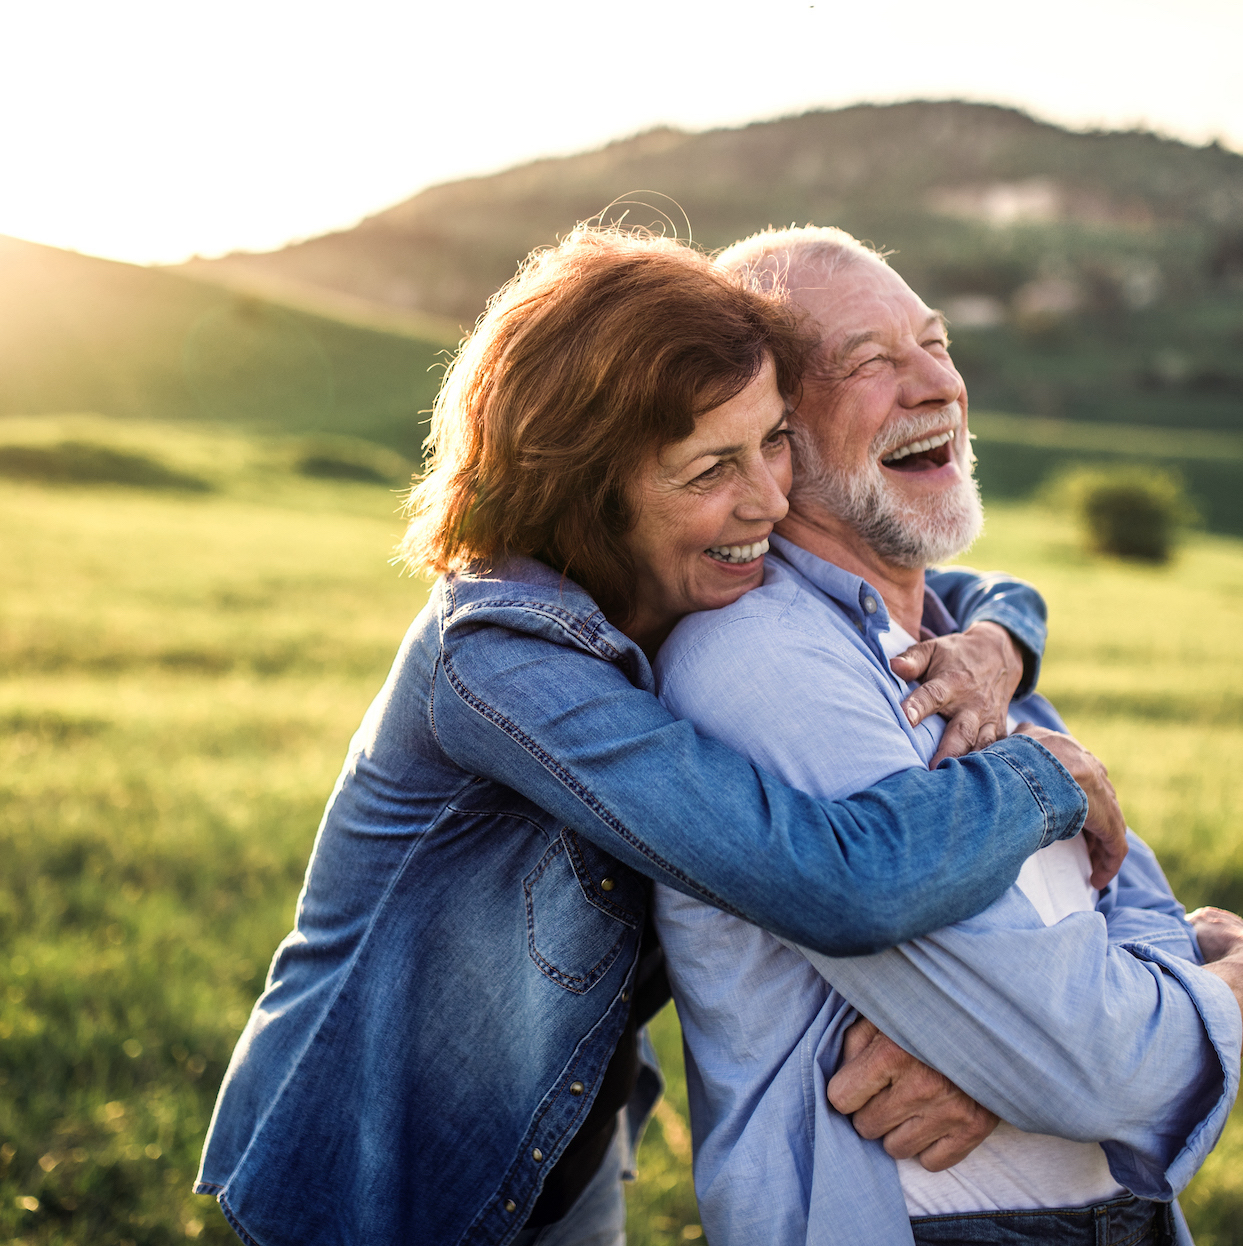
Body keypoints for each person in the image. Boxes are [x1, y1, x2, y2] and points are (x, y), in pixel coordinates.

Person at [191, 228, 1122, 1246]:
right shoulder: (498, 660)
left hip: (565, 1151)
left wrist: (996, 645)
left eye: (771, 438)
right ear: (589, 487)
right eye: (711, 466)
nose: (768, 498)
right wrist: (1043, 777)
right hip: (379, 1183)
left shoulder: (680, 577)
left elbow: (952, 588)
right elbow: (828, 880)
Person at [653, 226, 1243, 1246]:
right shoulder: (761, 664)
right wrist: (1218, 988)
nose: (935, 384)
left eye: (936, 342)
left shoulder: (962, 652)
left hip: (1122, 1216)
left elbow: (1120, 899)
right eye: (872, 362)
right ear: (769, 430)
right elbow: (1088, 1064)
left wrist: (1041, 1042)